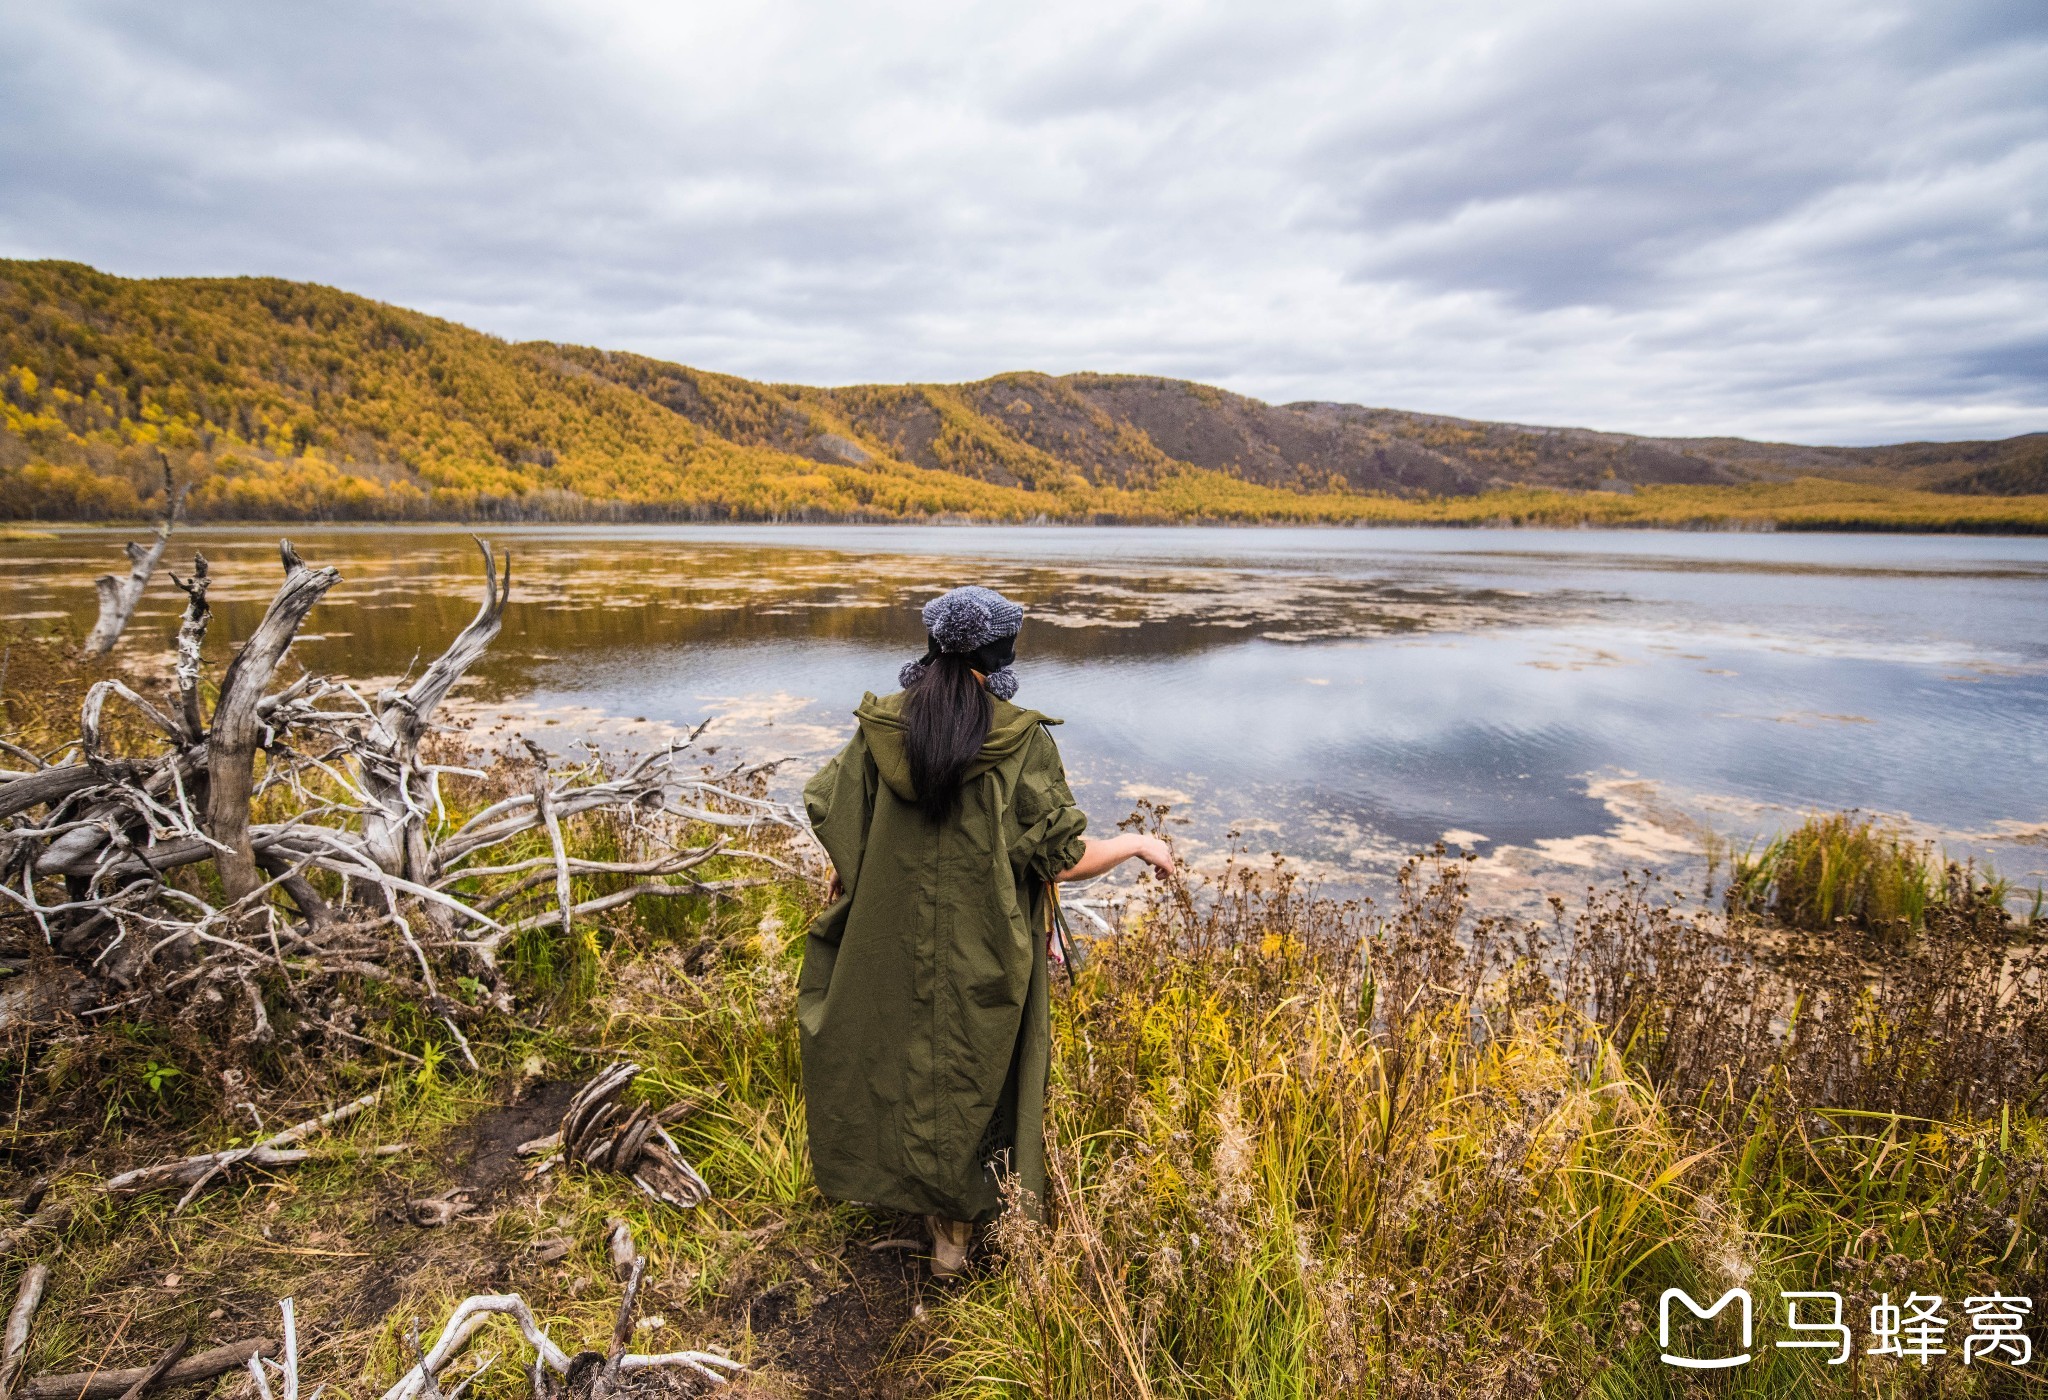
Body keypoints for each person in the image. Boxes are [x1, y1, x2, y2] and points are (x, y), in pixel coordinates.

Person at [798, 584, 1175, 1277]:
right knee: (978, 1076)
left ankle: (923, 1206)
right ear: (1001, 655)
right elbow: (1061, 860)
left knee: (903, 1061)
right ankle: (956, 1237)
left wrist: (856, 881)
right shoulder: (1022, 741)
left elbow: (836, 816)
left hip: (892, 939)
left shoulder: (882, 729)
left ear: (933, 647)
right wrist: (1136, 846)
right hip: (989, 952)